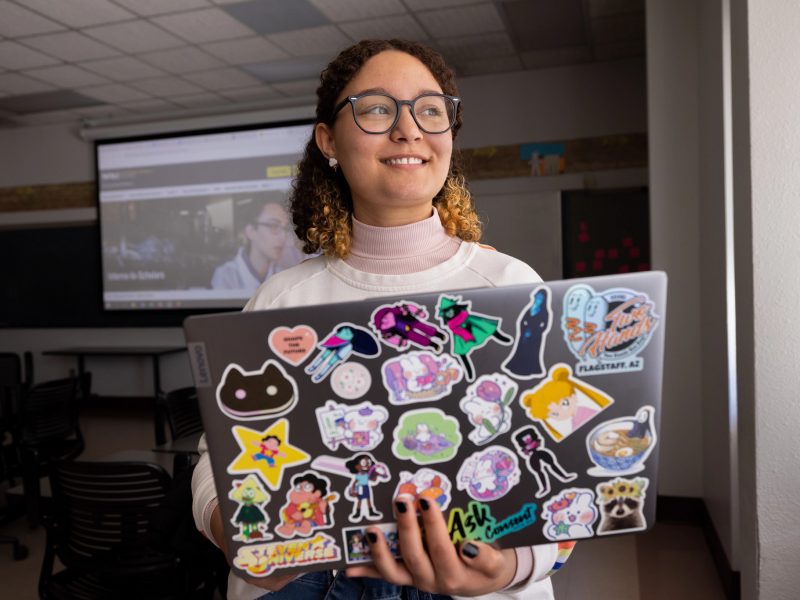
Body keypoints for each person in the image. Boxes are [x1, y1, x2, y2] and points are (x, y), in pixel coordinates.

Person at [192, 38, 574, 599]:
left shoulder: (511, 288)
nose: (409, 130)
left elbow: (563, 470)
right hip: (305, 580)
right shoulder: (281, 298)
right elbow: (219, 455)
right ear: (328, 140)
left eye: (431, 109)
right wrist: (232, 534)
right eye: (376, 108)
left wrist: (513, 565)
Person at [210, 199, 303, 293]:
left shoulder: (284, 275)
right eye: (274, 226)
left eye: (285, 228)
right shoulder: (225, 276)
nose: (283, 237)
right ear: (250, 231)